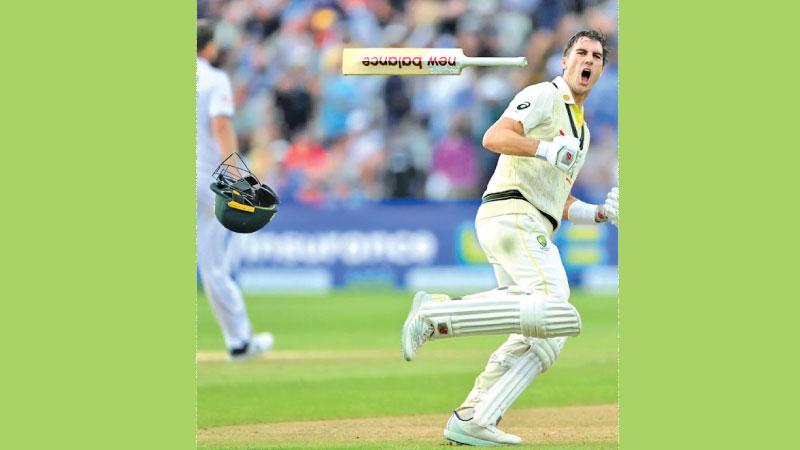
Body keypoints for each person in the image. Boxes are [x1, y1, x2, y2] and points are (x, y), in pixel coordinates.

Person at [401, 30, 619, 446]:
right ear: (564, 60)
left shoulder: (583, 131)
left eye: (595, 56)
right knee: (554, 302)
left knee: (546, 331)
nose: (587, 61)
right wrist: (543, 149)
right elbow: (494, 137)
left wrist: (601, 214)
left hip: (536, 220)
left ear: (601, 69)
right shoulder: (544, 95)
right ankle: (435, 313)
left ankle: (475, 416)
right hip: (511, 212)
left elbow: (559, 198)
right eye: (580, 53)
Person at [197, 20, 273, 361]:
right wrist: (238, 176)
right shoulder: (214, 79)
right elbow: (222, 124)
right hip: (202, 179)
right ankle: (240, 342)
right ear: (210, 47)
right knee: (212, 265)